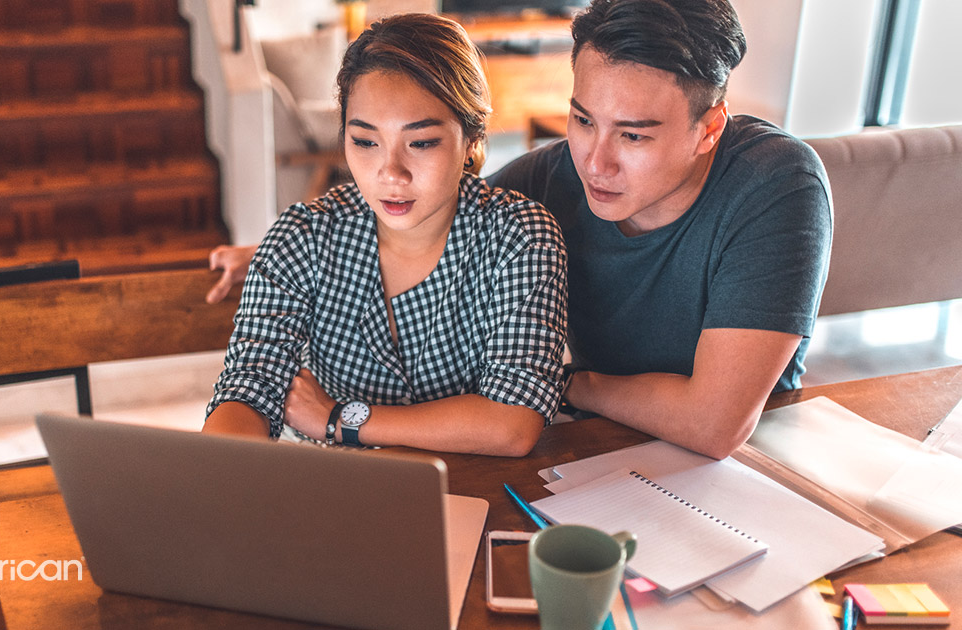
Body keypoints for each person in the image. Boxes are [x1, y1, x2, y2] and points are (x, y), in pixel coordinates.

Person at [205, 0, 832, 461]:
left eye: (633, 135)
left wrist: (558, 385)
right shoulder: (551, 179)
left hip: (745, 468)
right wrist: (277, 252)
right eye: (582, 120)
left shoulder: (774, 183)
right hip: (589, 451)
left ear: (709, 128)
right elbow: (425, 203)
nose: (595, 161)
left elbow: (715, 424)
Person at [202, 14, 568, 457]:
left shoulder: (520, 238)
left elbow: (512, 422)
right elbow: (248, 388)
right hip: (341, 494)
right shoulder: (301, 238)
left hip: (477, 491)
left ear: (472, 138)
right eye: (365, 142)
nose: (390, 174)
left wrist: (339, 419)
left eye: (422, 142)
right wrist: (217, 476)